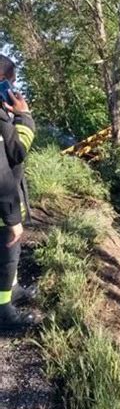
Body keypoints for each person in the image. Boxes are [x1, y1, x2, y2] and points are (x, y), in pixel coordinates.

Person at [0, 54, 36, 332]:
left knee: (13, 254)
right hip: (3, 209)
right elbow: (16, 151)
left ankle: (14, 290)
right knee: (7, 256)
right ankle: (4, 311)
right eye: (10, 83)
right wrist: (24, 117)